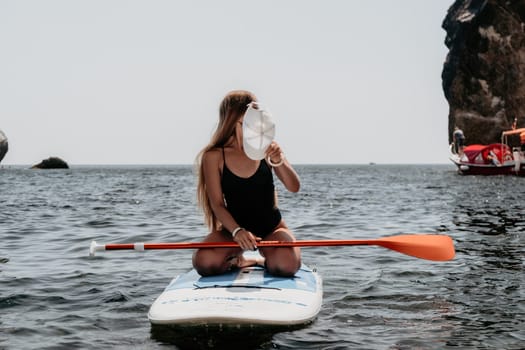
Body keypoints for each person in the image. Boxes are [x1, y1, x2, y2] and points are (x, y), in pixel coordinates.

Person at [192, 90, 301, 277]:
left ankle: (267, 259)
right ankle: (240, 260)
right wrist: (237, 231)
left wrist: (279, 159)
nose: (254, 127)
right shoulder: (214, 156)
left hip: (271, 229)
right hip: (232, 231)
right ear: (232, 121)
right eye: (247, 122)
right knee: (205, 263)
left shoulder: (267, 148)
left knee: (285, 266)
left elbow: (294, 187)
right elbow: (217, 204)